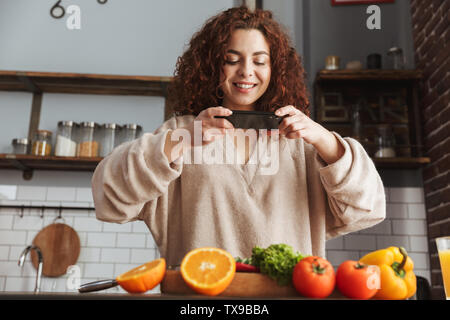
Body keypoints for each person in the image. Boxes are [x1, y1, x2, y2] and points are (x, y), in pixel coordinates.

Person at [92, 6, 386, 266]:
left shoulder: (301, 142)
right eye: (232, 60)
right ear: (211, 67)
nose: (246, 72)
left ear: (275, 69)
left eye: (259, 61)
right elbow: (108, 198)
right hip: (201, 299)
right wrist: (180, 139)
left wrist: (325, 140)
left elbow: (367, 208)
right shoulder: (182, 132)